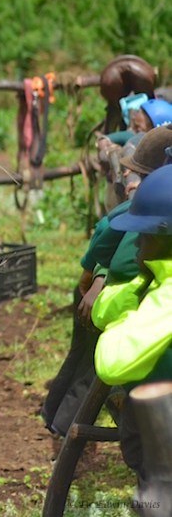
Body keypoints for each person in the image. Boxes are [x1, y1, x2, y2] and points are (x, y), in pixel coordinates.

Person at [41, 126, 172, 437]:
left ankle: (59, 420)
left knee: (86, 363)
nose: (129, 182)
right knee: (87, 368)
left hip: (112, 301)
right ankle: (61, 422)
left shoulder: (141, 205)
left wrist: (95, 273)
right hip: (116, 300)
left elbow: (103, 237)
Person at [92, 162, 172, 488]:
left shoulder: (166, 297)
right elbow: (101, 309)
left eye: (145, 234)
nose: (137, 243)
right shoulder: (155, 282)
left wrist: (125, 320)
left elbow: (112, 363)